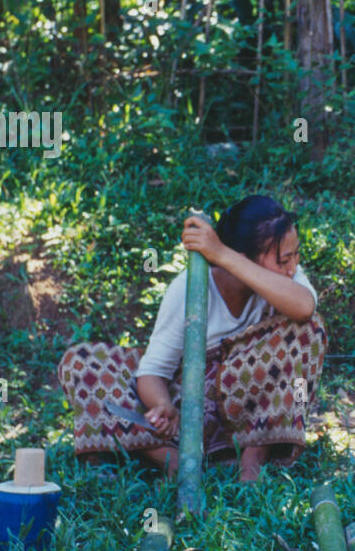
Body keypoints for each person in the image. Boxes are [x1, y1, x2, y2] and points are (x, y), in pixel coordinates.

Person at [57, 195, 327, 482]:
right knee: (82, 363)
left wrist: (221, 253)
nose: (293, 267)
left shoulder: (288, 282)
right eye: (284, 260)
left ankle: (252, 462)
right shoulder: (188, 288)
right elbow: (152, 371)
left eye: (295, 255)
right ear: (244, 257)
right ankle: (175, 461)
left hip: (246, 420)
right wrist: (162, 406)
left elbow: (304, 307)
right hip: (186, 416)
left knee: (308, 328)